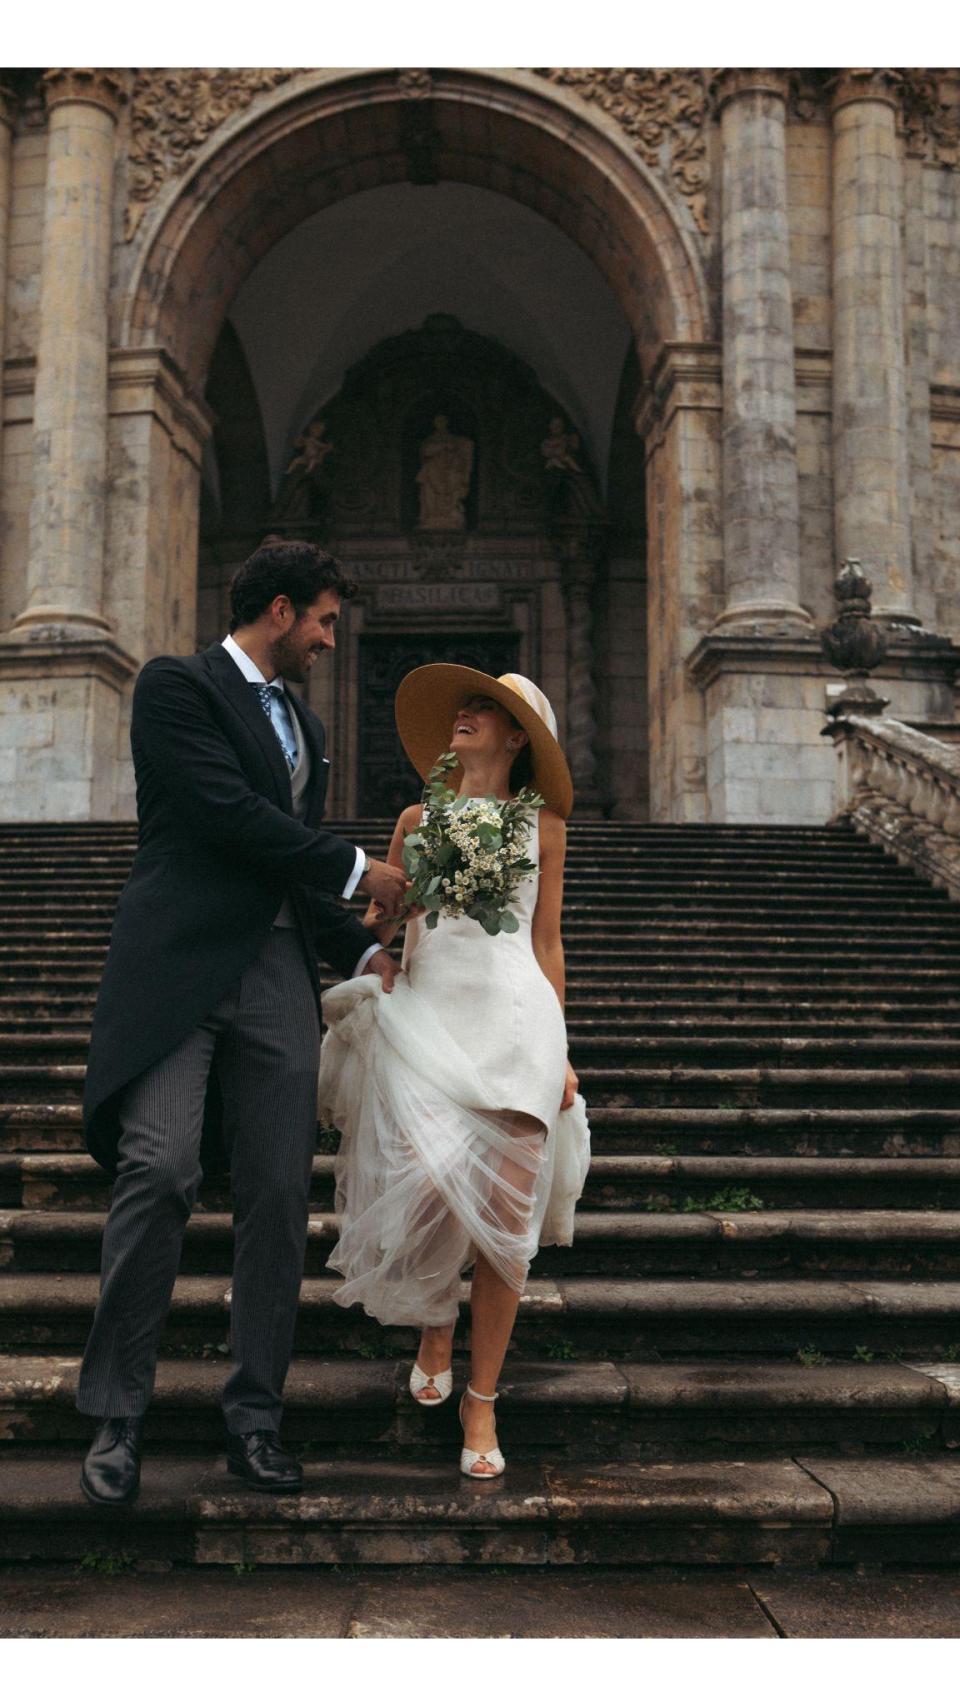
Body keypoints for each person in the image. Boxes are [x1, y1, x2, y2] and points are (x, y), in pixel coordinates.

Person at [77, 537, 406, 1507]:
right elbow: (222, 811)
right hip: (177, 970)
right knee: (160, 1165)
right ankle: (116, 1414)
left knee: (276, 1193)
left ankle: (254, 1416)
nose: (328, 640)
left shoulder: (306, 723)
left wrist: (360, 948)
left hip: (274, 972)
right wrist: (358, 868)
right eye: (323, 621)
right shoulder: (175, 686)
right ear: (277, 610)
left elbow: (285, 871)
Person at [318, 667, 590, 1478]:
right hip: (431, 1014)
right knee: (431, 1183)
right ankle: (437, 1314)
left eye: (490, 710)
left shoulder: (544, 827)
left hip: (515, 1021)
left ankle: (482, 1400)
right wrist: (382, 912)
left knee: (507, 1223)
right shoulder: (413, 819)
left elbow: (546, 941)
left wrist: (563, 1045)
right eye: (467, 705)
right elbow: (389, 924)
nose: (468, 714)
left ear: (519, 739)